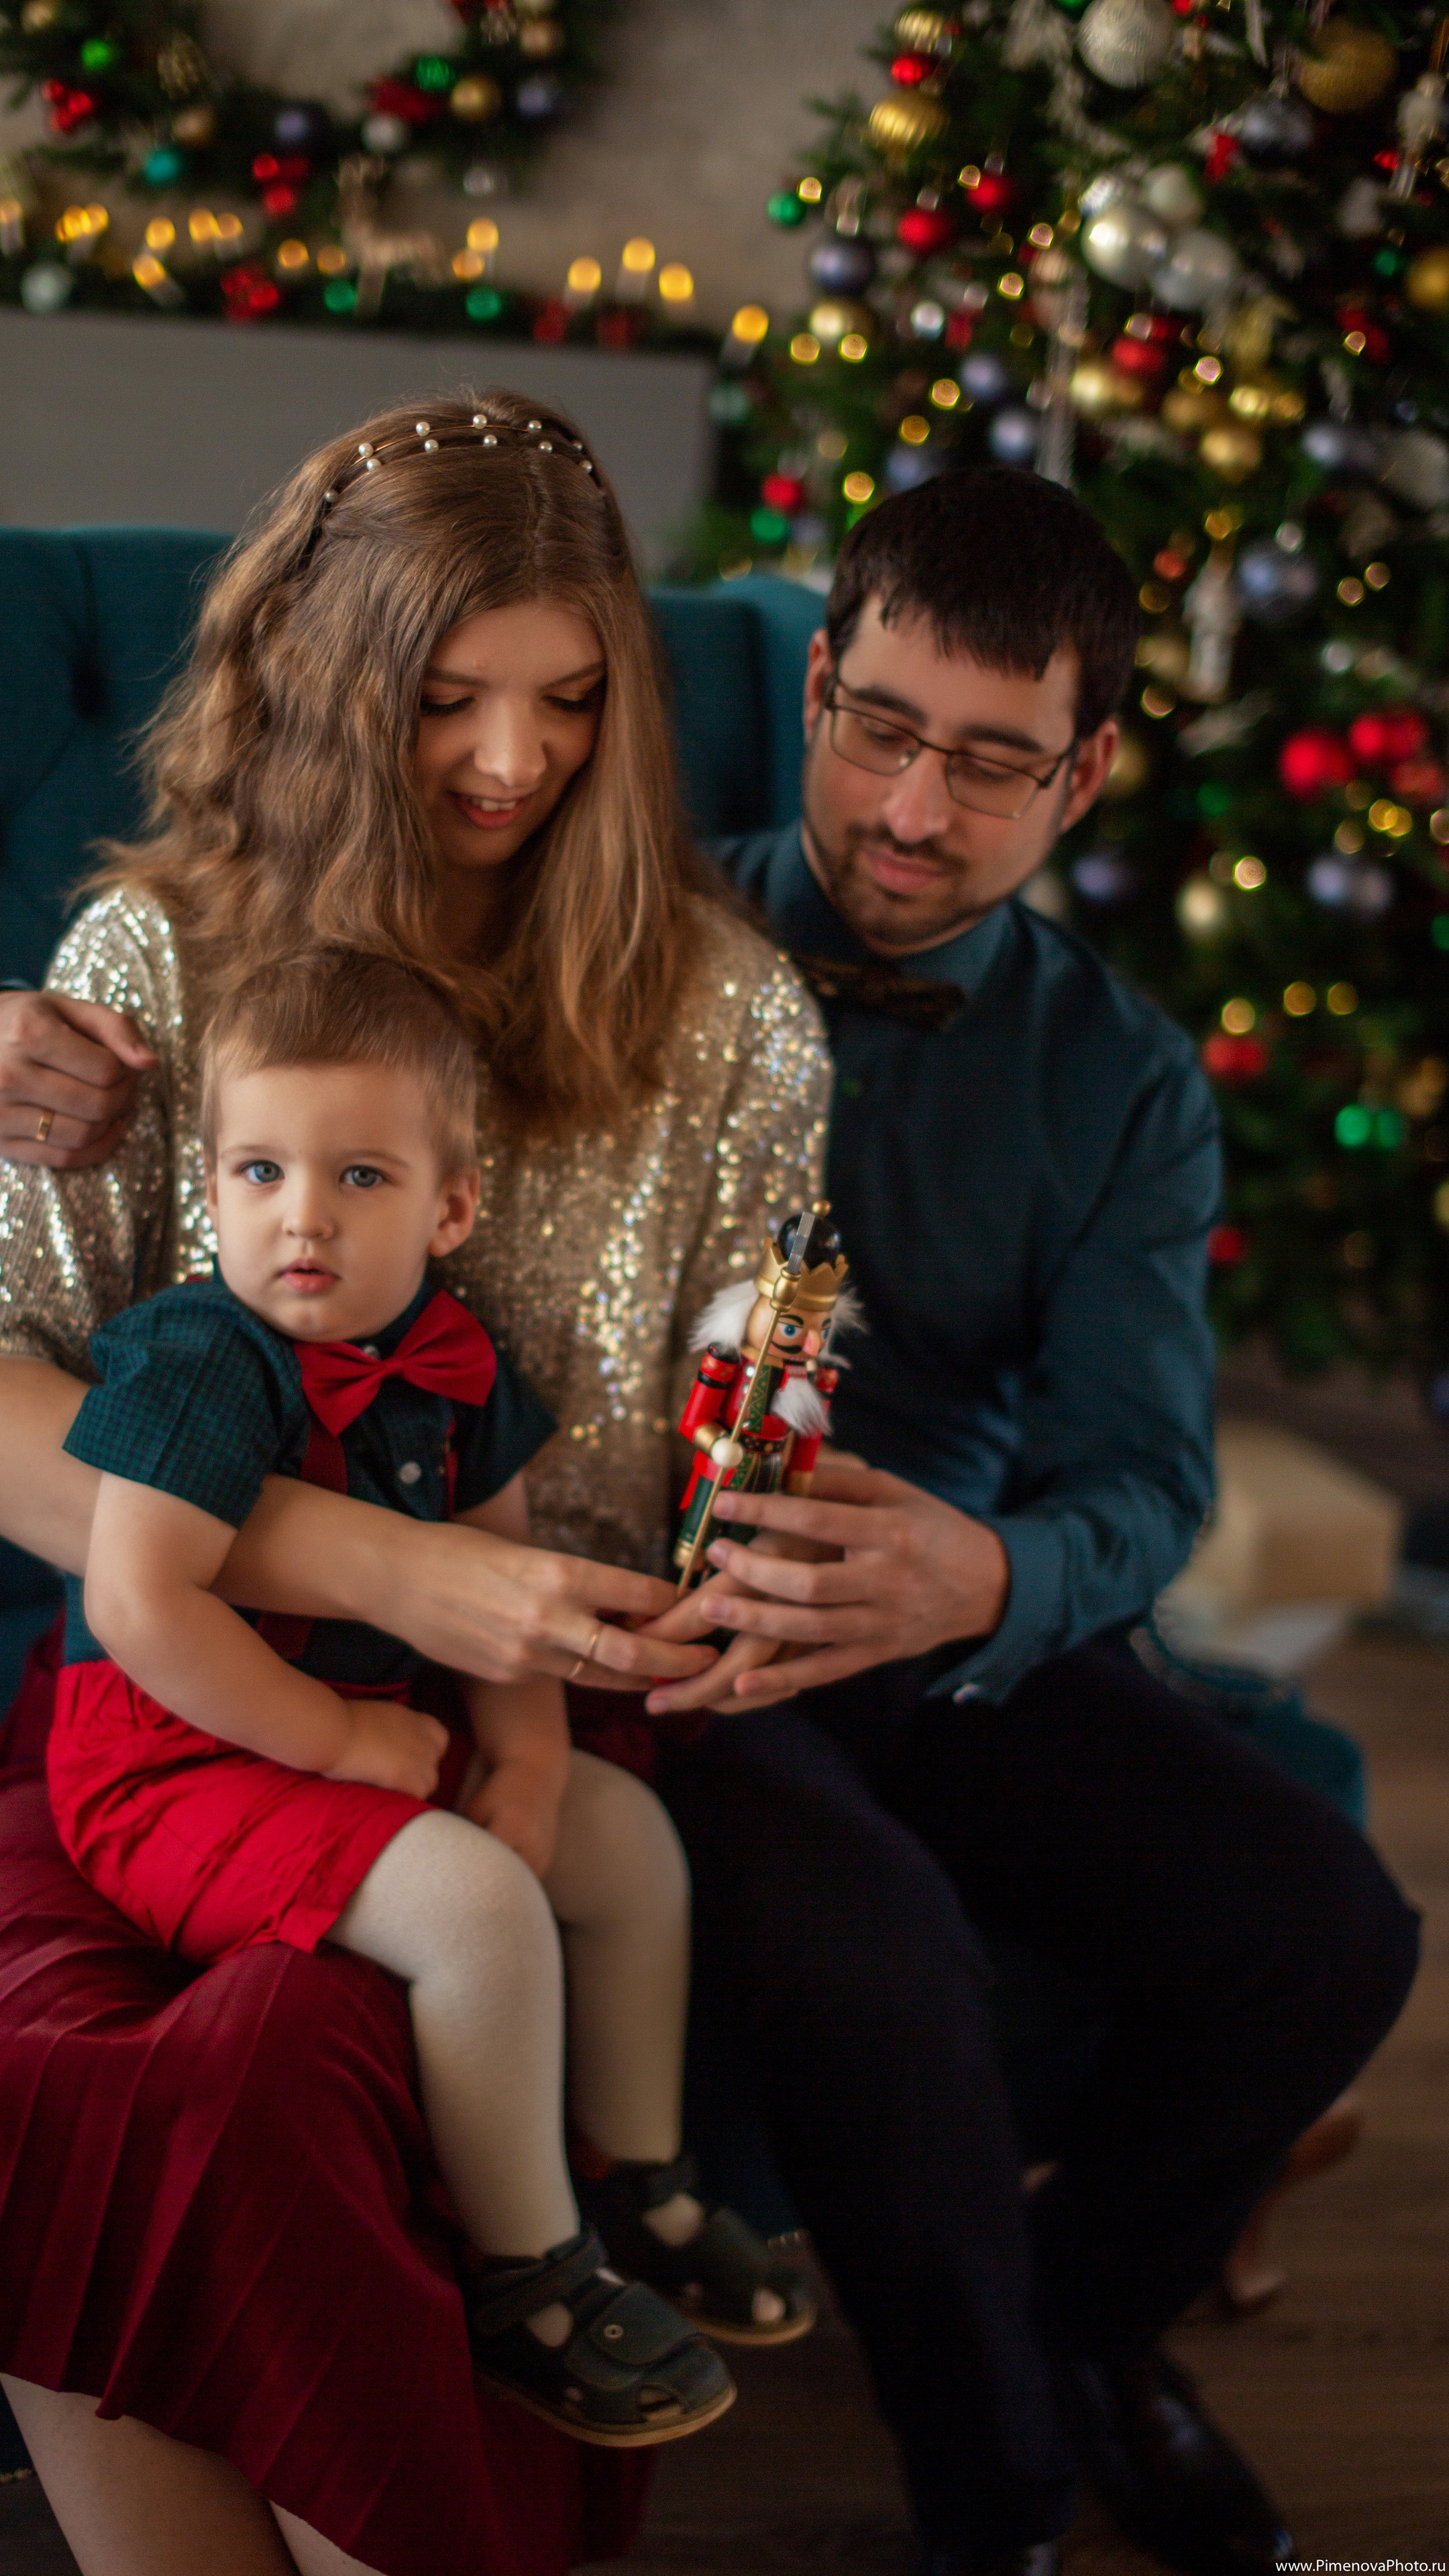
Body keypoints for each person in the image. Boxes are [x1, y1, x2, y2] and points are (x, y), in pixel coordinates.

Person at [0, 390, 830, 2576]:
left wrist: (686, 1581)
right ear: (332, 683)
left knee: (337, 2053)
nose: (514, 763)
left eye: (571, 703)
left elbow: (724, 1423)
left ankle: (585, 2260)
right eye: (447, 701)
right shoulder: (162, 970)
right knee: (102, 2071)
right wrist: (392, 1587)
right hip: (194, 1684)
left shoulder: (730, 1015)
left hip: (514, 1709)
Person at [629, 468, 1421, 2575]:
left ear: (1082, 772)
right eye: (880, 729)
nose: (909, 811)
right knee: (878, 1946)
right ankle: (995, 2508)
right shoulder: (626, 942)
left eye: (988, 764)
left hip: (957, 1614)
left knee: (1335, 1928)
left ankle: (1089, 2342)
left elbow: (1148, 1480)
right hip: (668, 1618)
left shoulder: (1129, 1085)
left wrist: (986, 1579)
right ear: (814, 687)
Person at [50, 942, 796, 2446]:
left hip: (363, 1736)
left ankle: (640, 2176)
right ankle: (528, 2276)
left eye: (360, 1177)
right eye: (257, 1171)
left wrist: (520, 1754)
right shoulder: (198, 1357)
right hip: (175, 1756)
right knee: (474, 1908)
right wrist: (332, 1736)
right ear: (209, 1191)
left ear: (450, 1206)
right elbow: (136, 1604)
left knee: (621, 1842)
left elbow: (497, 1588)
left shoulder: (456, 1362)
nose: (301, 1217)